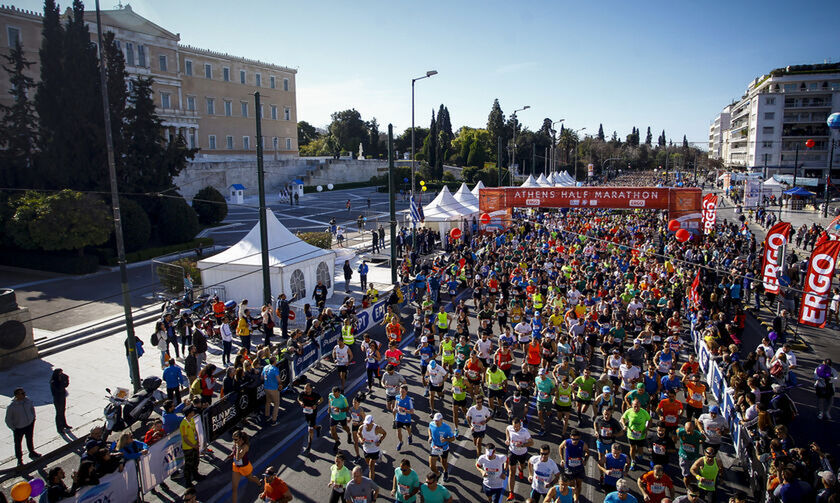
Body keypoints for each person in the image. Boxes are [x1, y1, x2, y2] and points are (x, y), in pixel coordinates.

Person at [5, 387, 40, 466]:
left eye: (24, 393)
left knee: (29, 439)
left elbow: (32, 409)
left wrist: (33, 418)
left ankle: (32, 452)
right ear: (17, 395)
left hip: (29, 425)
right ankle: (19, 459)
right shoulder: (12, 406)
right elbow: (8, 419)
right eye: (22, 393)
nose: (24, 394)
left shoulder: (28, 401)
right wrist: (13, 428)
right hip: (19, 428)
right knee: (18, 444)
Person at [506, 416, 534, 501]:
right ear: (512, 425)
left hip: (522, 453)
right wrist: (508, 439)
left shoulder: (525, 432)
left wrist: (522, 445)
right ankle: (511, 492)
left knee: (522, 466)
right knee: (512, 472)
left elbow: (532, 443)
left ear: (520, 425)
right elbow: (507, 429)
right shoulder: (510, 428)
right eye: (515, 427)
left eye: (518, 426)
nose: (516, 428)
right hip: (512, 452)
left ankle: (521, 469)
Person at [621, 399, 651, 469]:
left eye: (638, 406)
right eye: (635, 406)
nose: (636, 408)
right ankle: (633, 460)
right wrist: (624, 425)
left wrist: (646, 429)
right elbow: (623, 418)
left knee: (640, 449)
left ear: (640, 405)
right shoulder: (629, 411)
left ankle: (640, 455)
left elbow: (650, 420)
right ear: (632, 406)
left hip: (641, 434)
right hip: (631, 434)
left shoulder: (644, 412)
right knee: (632, 448)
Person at [559, 430, 589, 501]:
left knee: (579, 484)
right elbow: (560, 447)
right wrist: (562, 459)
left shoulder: (582, 444)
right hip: (569, 468)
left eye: (576, 439)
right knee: (571, 485)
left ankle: (576, 499)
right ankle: (571, 498)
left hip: (579, 468)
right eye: (573, 439)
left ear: (579, 438)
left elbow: (587, 452)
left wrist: (585, 460)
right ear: (570, 437)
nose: (575, 441)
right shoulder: (566, 442)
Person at [429, 412, 457, 482]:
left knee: (443, 462)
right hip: (434, 446)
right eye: (435, 420)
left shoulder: (447, 428)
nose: (436, 422)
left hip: (443, 448)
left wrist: (446, 439)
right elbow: (429, 428)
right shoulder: (432, 424)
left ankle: (445, 471)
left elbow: (453, 438)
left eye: (438, 421)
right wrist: (430, 436)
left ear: (441, 420)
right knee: (432, 466)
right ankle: (438, 474)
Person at [357, 415, 387, 480]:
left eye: (368, 423)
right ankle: (380, 454)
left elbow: (384, 433)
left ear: (372, 422)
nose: (367, 425)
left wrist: (379, 441)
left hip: (374, 450)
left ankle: (371, 483)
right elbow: (358, 433)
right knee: (368, 463)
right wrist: (360, 439)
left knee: (371, 466)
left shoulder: (377, 428)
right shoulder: (362, 427)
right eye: (366, 423)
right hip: (366, 449)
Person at [676, 421, 704, 488]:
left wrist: (697, 443)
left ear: (694, 429)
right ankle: (687, 488)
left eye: (690, 431)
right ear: (684, 428)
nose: (688, 433)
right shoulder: (681, 431)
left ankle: (695, 487)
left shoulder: (697, 434)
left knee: (694, 473)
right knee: (686, 475)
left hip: (694, 457)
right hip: (684, 456)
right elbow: (677, 432)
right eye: (687, 431)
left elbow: (703, 439)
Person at [298, 382, 323, 454]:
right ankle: (317, 428)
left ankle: (309, 445)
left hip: (313, 413)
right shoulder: (303, 393)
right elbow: (298, 398)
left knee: (310, 429)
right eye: (305, 388)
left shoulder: (315, 395)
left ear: (311, 389)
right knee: (312, 425)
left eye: (307, 389)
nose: (306, 390)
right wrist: (301, 403)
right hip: (306, 412)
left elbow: (321, 399)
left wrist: (316, 404)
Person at [180, 406, 201, 486]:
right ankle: (188, 481)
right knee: (189, 464)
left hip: (194, 445)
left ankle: (196, 475)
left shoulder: (191, 419)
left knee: (196, 461)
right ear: (189, 413)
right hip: (188, 448)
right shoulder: (183, 424)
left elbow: (195, 431)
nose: (193, 412)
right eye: (192, 412)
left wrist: (197, 441)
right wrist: (193, 445)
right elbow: (185, 438)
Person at [329, 387, 352, 453]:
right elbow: (330, 401)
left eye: (336, 395)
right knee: (332, 430)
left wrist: (339, 410)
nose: (334, 396)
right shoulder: (330, 395)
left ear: (339, 392)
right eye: (333, 394)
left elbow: (347, 408)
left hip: (341, 417)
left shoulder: (343, 399)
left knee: (345, 427)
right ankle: (337, 441)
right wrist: (329, 408)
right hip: (333, 416)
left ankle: (349, 433)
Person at [393, 385, 414, 451]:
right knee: (398, 431)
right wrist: (395, 409)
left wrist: (404, 410)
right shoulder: (397, 397)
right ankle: (400, 442)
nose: (401, 393)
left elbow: (412, 411)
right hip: (399, 417)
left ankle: (410, 435)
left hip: (406, 418)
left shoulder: (409, 400)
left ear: (406, 392)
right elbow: (396, 406)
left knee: (408, 429)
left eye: (403, 391)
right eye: (400, 391)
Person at [50, 368, 71, 433]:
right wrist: (62, 381)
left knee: (63, 411)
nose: (61, 374)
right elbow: (59, 389)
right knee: (59, 413)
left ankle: (64, 424)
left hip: (62, 397)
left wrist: (66, 380)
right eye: (60, 373)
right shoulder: (53, 382)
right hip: (57, 399)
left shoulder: (61, 379)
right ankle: (59, 428)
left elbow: (66, 385)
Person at [262, 357, 282, 424]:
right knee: (276, 404)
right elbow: (278, 379)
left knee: (268, 402)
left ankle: (267, 416)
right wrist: (280, 385)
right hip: (273, 388)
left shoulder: (265, 367)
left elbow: (261, 377)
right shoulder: (275, 369)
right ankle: (274, 420)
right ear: (274, 362)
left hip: (266, 387)